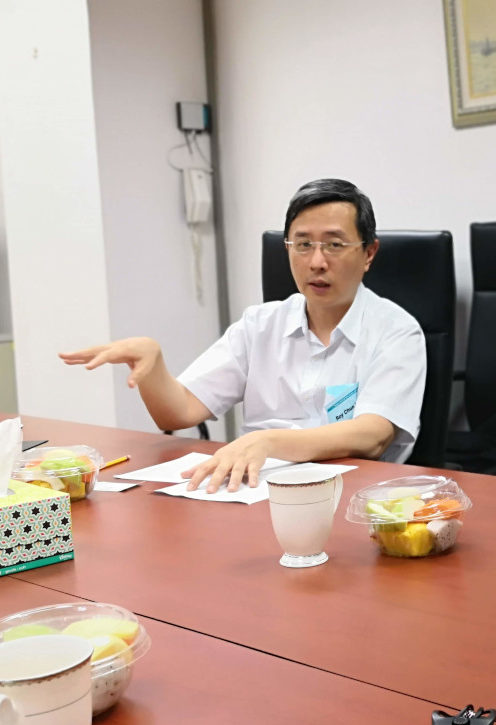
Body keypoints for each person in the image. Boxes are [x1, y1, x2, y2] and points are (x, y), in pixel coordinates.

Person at [61, 178, 426, 493]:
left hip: (358, 494)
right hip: (255, 491)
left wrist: (267, 441)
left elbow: (372, 435)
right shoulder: (260, 324)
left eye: (334, 244)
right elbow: (178, 412)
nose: (316, 262)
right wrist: (153, 363)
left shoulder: (397, 331)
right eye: (302, 244)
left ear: (368, 253)